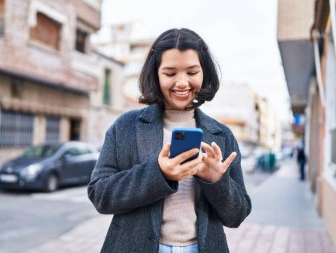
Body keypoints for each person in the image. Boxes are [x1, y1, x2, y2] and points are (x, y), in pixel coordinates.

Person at [88, 28, 252, 253]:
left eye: (192, 72)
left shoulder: (221, 135)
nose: (182, 82)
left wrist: (217, 182)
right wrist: (158, 173)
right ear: (156, 74)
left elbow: (237, 215)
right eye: (170, 73)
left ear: (204, 73)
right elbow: (99, 194)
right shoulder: (126, 126)